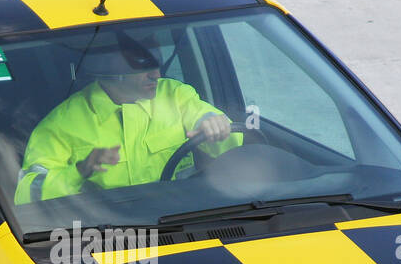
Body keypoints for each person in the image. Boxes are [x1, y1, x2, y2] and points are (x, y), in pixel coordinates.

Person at [14, 33, 242, 203]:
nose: (157, 75)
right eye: (143, 67)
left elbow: (210, 123)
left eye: (157, 64)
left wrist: (217, 125)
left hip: (182, 218)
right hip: (103, 235)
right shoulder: (61, 125)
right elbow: (27, 194)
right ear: (107, 69)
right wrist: (78, 172)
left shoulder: (175, 94)